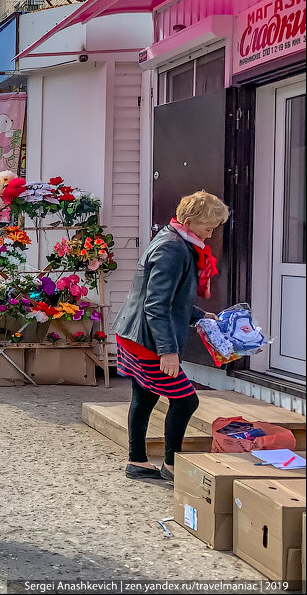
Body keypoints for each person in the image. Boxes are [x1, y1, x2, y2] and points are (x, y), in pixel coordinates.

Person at [114, 191, 229, 482]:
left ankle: (137, 461)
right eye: (209, 227)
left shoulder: (176, 239)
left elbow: (172, 298)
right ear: (190, 221)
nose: (212, 232)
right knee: (186, 400)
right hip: (148, 340)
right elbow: (157, 304)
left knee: (146, 396)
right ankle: (170, 464)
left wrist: (200, 316)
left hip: (136, 333)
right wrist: (168, 351)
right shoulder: (173, 249)